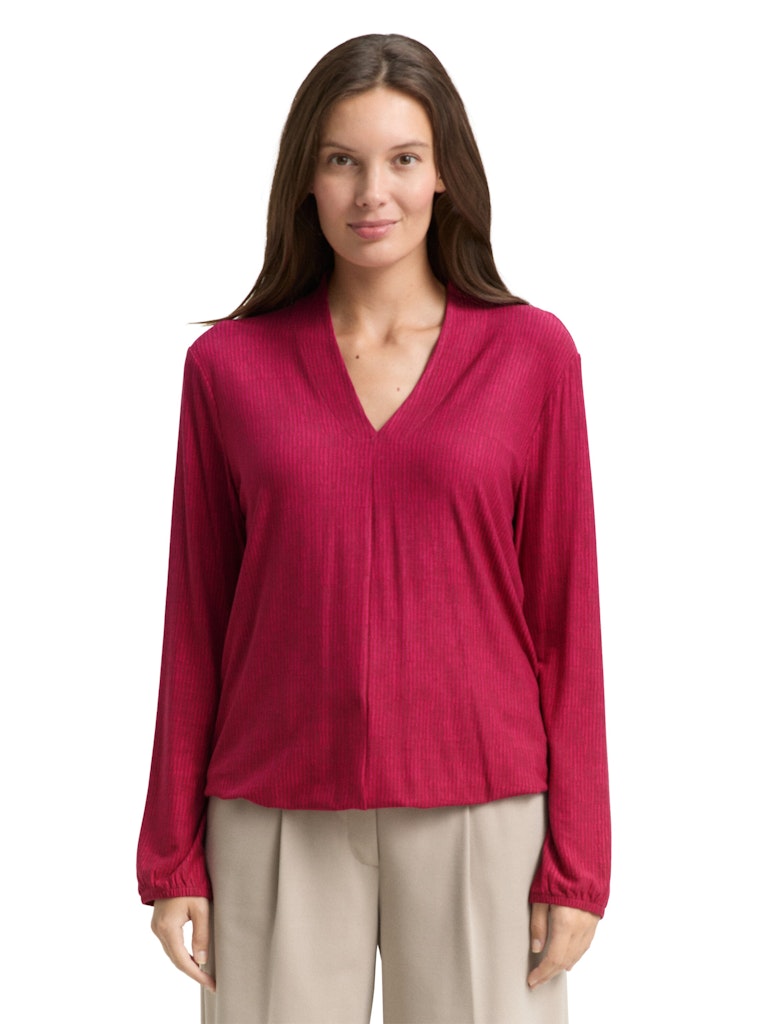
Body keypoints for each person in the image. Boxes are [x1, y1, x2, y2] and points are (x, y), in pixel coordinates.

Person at [137, 32, 611, 1024]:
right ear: (304, 180)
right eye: (341, 160)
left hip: (482, 807)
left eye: (402, 158)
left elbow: (566, 621)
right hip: (272, 804)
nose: (371, 194)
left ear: (444, 174)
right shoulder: (228, 369)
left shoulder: (532, 355)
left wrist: (578, 864)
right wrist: (172, 852)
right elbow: (195, 620)